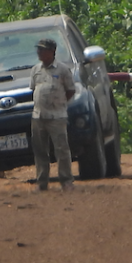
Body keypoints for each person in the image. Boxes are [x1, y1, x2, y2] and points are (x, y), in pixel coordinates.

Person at [30, 38, 76, 192]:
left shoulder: (62, 70)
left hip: (57, 116)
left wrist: (58, 103)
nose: (39, 52)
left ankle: (66, 181)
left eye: (43, 49)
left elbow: (70, 90)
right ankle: (42, 182)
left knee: (61, 149)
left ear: (52, 52)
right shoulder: (35, 70)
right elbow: (33, 89)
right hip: (38, 116)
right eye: (38, 49)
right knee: (40, 151)